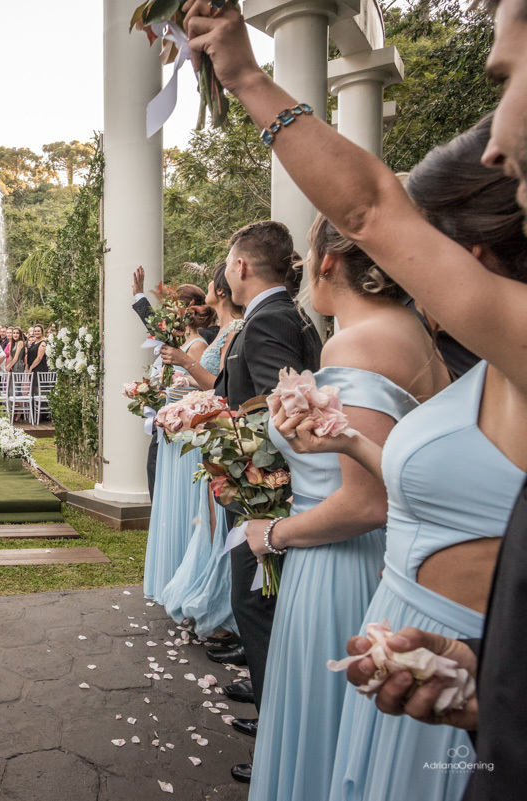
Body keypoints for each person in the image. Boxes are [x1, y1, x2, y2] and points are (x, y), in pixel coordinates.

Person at [184, 5, 527, 796]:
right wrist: (484, 676)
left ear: (471, 256)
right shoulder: (488, 371)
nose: (499, 139)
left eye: (506, 81)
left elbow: (370, 206)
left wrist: (245, 78)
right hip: (442, 667)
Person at [243, 214, 450, 799]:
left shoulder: (356, 342)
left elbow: (365, 504)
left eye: (308, 259)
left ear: (328, 262)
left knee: (323, 724)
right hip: (385, 559)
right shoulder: (412, 328)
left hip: (340, 563)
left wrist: (273, 532)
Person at [209, 220, 324, 784]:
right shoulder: (290, 312)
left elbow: (278, 409)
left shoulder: (270, 318)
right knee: (265, 608)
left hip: (265, 497)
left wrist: (254, 490)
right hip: (272, 491)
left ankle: (279, 739)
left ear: (242, 267)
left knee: (255, 605)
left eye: (229, 262)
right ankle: (277, 714)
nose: (227, 271)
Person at [158, 263, 244, 639]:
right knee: (208, 521)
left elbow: (221, 387)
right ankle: (209, 597)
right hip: (204, 430)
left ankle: (223, 608)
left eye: (212, 281)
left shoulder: (235, 330)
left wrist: (185, 364)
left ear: (220, 291)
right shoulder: (223, 330)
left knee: (218, 521)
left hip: (220, 434)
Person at [141, 287, 208, 601]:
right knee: (161, 496)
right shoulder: (177, 344)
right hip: (168, 430)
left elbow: (202, 392)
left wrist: (167, 397)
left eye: (172, 309)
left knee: (178, 503)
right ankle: (170, 576)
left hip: (184, 435)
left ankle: (182, 574)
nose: (166, 317)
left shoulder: (196, 346)